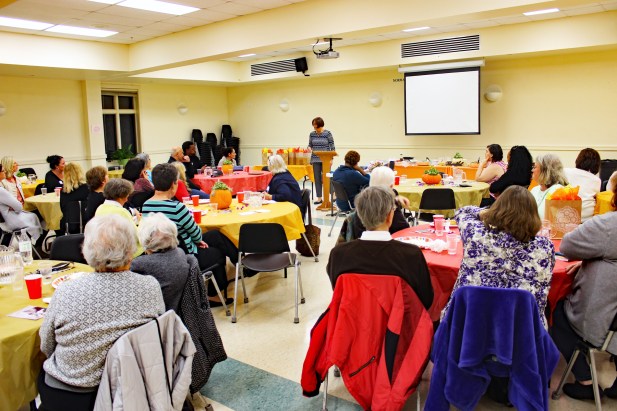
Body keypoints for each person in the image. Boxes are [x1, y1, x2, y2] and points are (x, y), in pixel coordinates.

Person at [38, 214, 165, 410]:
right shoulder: (150, 287)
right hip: (128, 392)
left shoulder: (66, 291)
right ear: (131, 250)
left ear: (87, 250)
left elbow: (46, 345)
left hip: (71, 395)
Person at [442, 185, 554, 327]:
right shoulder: (544, 247)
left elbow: (463, 211)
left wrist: (487, 213)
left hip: (468, 325)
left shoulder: (476, 235)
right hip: (522, 330)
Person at [549, 182, 617, 401]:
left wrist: (592, 257)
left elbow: (567, 246)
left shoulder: (608, 225)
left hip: (603, 320)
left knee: (555, 313)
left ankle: (585, 381)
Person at [142, 163, 238, 305]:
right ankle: (213, 295)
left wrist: (198, 240)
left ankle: (238, 261)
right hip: (184, 254)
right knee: (217, 253)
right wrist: (198, 240)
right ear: (173, 185)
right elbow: (196, 233)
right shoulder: (177, 208)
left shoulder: (146, 205)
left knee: (215, 235)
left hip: (162, 252)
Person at [327, 186, 433, 310]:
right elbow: (426, 300)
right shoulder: (411, 254)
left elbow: (337, 291)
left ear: (359, 215)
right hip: (399, 320)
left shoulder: (338, 254)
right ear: (390, 216)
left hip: (353, 318)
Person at [131, 213, 191, 312]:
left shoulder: (139, 264)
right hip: (175, 312)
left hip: (151, 316)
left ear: (147, 240)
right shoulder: (180, 253)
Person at [337, 166, 409, 243]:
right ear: (391, 186)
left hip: (360, 244)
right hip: (386, 245)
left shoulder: (362, 201)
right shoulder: (390, 206)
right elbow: (404, 230)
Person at [95, 178, 143, 257]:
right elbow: (136, 236)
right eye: (127, 195)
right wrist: (141, 222)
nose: (127, 199)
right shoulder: (122, 211)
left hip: (106, 251)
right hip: (125, 253)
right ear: (121, 196)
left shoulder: (100, 208)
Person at [0, 163, 42, 243]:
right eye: (2, 171)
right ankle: (37, 243)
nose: (5, 172)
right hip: (11, 220)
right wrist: (13, 206)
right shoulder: (1, 190)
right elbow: (19, 207)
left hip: (6, 218)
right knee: (40, 214)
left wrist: (11, 206)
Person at [564, 148, 601, 222]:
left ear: (578, 160)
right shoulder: (596, 180)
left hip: (565, 216)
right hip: (587, 219)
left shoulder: (565, 171)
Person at [530, 153, 569, 219]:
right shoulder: (534, 189)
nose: (532, 170)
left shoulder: (559, 191)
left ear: (545, 170)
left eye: (535, 167)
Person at [308, 116, 335, 204]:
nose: (315, 128)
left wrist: (331, 159)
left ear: (321, 125)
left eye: (317, 126)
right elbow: (310, 145)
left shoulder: (328, 133)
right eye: (314, 126)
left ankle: (333, 194)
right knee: (317, 178)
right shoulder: (312, 134)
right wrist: (309, 148)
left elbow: (332, 147)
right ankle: (319, 198)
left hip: (326, 160)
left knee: (327, 177)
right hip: (315, 159)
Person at [59, 163, 89, 234]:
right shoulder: (88, 188)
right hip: (87, 225)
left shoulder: (63, 191)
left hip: (69, 226)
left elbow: (63, 209)